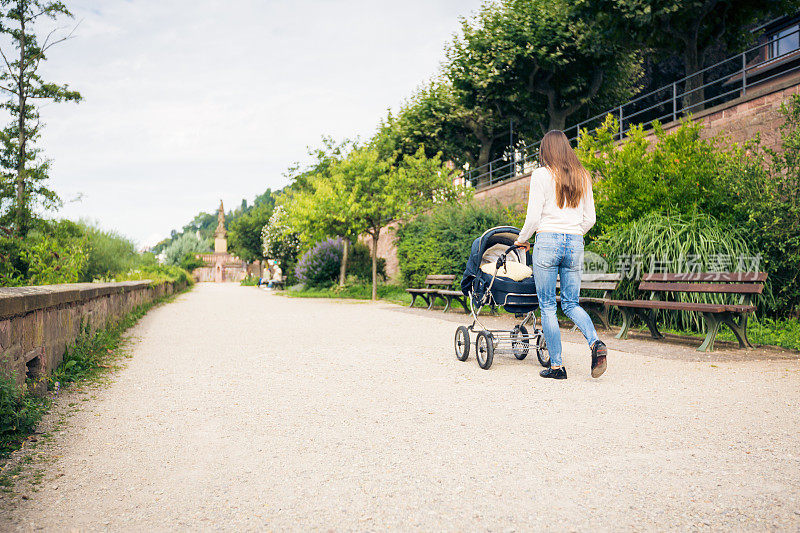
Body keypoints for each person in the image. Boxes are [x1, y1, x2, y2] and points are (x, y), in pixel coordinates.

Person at [514, 130, 607, 380]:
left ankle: (557, 367)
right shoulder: (583, 176)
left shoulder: (542, 175)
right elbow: (591, 219)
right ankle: (595, 343)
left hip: (547, 241)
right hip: (575, 242)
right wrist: (574, 233)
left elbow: (533, 217)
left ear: (547, 150)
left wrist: (522, 239)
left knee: (547, 305)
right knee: (571, 303)